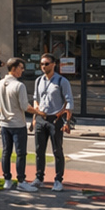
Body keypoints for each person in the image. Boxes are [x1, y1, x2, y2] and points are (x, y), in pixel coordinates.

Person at [32, 54, 73, 192]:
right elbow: (36, 99)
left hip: (55, 119)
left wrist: (66, 121)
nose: (44, 66)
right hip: (40, 118)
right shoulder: (38, 80)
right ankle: (39, 177)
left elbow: (68, 102)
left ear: (54, 64)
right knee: (39, 150)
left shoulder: (62, 81)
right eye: (42, 64)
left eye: (47, 64)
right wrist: (34, 116)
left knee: (57, 150)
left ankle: (58, 179)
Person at [0, 58, 32, 190]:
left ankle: (7, 180)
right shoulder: (19, 85)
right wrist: (39, 112)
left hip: (4, 124)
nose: (23, 70)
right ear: (14, 69)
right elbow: (24, 106)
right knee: (20, 153)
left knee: (6, 152)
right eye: (21, 68)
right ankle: (21, 180)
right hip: (17, 124)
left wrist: (6, 109)